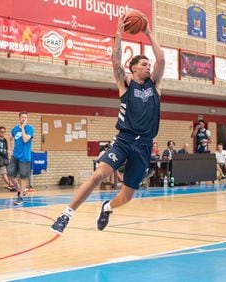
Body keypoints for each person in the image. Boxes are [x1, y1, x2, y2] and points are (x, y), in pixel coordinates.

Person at [51, 13, 165, 234]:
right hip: (124, 140)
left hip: (144, 146)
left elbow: (162, 60)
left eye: (148, 64)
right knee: (98, 175)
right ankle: (66, 215)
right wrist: (119, 34)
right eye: (144, 64)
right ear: (133, 68)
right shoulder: (125, 84)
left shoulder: (155, 85)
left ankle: (107, 207)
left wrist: (148, 32)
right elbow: (115, 61)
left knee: (127, 195)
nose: (148, 67)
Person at [8, 111, 34, 205]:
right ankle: (20, 190)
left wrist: (22, 128)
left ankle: (21, 198)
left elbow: (25, 139)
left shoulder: (30, 128)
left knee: (23, 177)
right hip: (15, 156)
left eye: (25, 117)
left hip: (25, 157)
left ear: (27, 119)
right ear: (19, 118)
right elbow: (9, 138)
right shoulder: (14, 129)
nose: (23, 119)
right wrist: (10, 150)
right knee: (10, 175)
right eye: (22, 117)